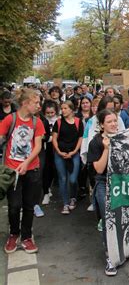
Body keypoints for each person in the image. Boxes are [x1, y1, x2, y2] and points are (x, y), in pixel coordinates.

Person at [0, 88, 45, 254]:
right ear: (26, 103)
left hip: (32, 170)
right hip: (12, 171)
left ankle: (26, 236)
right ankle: (14, 234)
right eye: (36, 103)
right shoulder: (9, 119)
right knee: (14, 205)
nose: (39, 106)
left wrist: (26, 163)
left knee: (28, 205)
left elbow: (38, 146)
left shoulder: (37, 122)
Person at [87, 109, 118, 276]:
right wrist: (106, 149)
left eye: (115, 121)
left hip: (121, 185)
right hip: (103, 184)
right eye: (109, 122)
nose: (113, 124)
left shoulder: (122, 138)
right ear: (101, 125)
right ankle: (110, 256)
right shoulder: (96, 142)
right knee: (108, 220)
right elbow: (98, 169)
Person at [52, 101, 84, 215]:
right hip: (60, 153)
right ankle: (65, 203)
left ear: (71, 109)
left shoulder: (78, 122)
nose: (63, 111)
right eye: (62, 108)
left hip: (73, 153)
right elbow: (54, 138)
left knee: (73, 179)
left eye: (65, 108)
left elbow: (80, 138)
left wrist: (75, 151)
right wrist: (59, 151)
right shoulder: (59, 122)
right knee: (63, 178)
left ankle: (73, 197)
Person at [40, 100, 58, 206]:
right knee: (46, 170)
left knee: (53, 169)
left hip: (56, 147)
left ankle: (50, 186)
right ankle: (46, 191)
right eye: (48, 113)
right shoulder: (42, 121)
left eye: (52, 112)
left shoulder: (58, 120)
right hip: (46, 147)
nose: (50, 115)